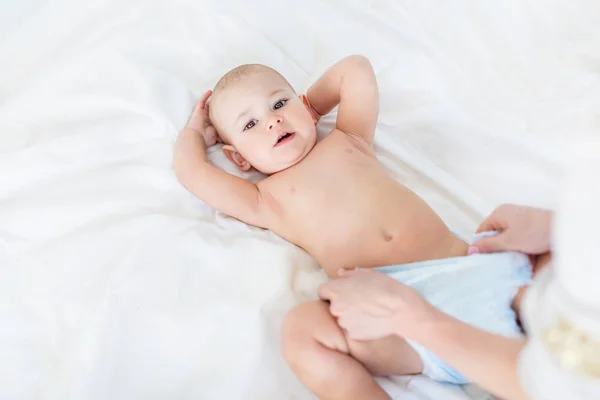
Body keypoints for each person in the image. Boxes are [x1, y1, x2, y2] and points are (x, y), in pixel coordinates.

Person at [173, 56, 533, 399]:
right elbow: (193, 174)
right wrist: (194, 134)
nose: (272, 121)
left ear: (302, 106)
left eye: (279, 104)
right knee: (301, 332)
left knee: (562, 315)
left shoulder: (350, 140)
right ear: (237, 157)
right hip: (385, 312)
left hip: (470, 269)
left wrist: (312, 107)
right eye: (249, 125)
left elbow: (355, 71)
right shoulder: (263, 200)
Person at [317, 204, 553, 400]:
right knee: (306, 327)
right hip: (490, 262)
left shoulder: (342, 145)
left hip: (474, 271)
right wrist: (554, 227)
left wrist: (407, 316)